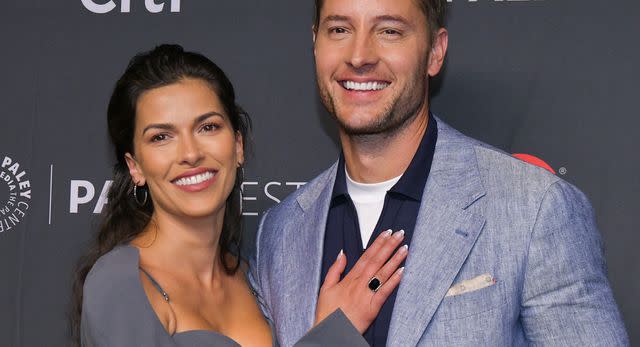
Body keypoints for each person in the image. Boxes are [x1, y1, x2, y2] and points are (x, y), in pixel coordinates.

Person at [249, 0, 629, 346]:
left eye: (389, 30)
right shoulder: (280, 234)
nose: (359, 56)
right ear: (315, 44)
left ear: (434, 52)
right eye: (339, 29)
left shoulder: (534, 210)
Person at [70, 44, 408, 346]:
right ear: (135, 167)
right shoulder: (119, 285)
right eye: (161, 137)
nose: (190, 153)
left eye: (208, 127)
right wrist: (335, 333)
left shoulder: (256, 278)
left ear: (238, 145)